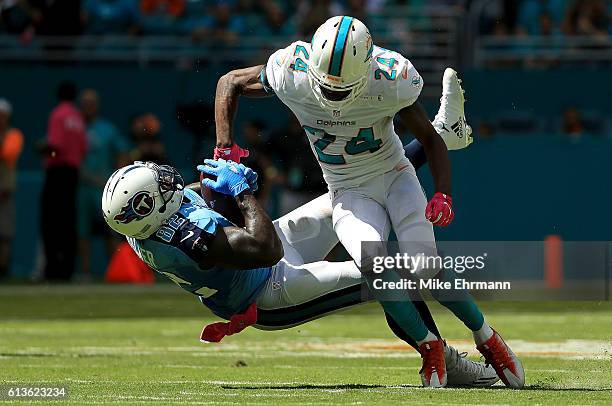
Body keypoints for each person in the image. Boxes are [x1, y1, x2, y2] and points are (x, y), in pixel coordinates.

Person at [212, 16, 523, 388]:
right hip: (347, 190)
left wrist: (443, 192)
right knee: (375, 270)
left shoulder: (390, 78)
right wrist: (224, 147)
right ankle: (429, 346)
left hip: (395, 177)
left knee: (425, 266)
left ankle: (486, 335)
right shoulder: (290, 69)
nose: (334, 99)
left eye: (343, 92)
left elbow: (427, 139)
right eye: (327, 88)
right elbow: (229, 82)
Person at [102, 145, 499, 388]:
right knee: (378, 271)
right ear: (150, 208)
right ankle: (447, 360)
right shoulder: (189, 243)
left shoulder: (148, 226)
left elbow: (194, 200)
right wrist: (241, 192)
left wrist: (216, 188)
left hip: (261, 262)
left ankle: (439, 136)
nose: (168, 181)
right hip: (272, 291)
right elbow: (264, 247)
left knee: (346, 193)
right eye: (159, 187)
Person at [78, 89, 130, 278]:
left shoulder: (107, 129)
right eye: (84, 103)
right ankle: (85, 272)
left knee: (112, 230)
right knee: (82, 231)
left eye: (91, 103)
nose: (88, 107)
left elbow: (123, 151)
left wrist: (118, 179)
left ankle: (115, 271)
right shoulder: (75, 128)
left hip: (104, 188)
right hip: (82, 187)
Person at [39, 82, 87, 281]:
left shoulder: (58, 114)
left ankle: (53, 269)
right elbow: (83, 148)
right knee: (69, 221)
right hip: (73, 173)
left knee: (51, 221)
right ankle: (67, 268)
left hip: (57, 172)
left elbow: (54, 146)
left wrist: (41, 148)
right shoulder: (77, 118)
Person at [0, 98, 24, 280]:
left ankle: (3, 269)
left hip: (5, 190)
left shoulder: (13, 134)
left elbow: (8, 153)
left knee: (5, 233)